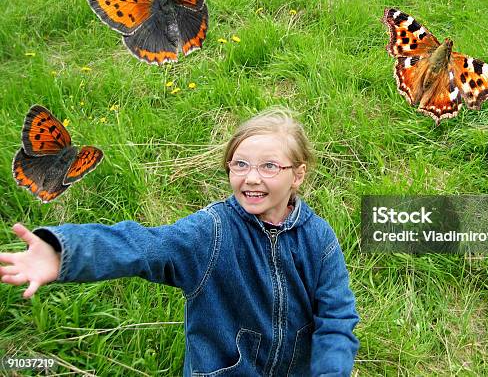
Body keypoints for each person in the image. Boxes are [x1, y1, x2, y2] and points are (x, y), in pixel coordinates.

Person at [0, 107, 360, 376]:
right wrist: (65, 252)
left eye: (269, 167)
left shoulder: (319, 238)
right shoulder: (212, 232)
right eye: (240, 165)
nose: (251, 178)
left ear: (297, 175)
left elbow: (336, 317)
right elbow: (143, 246)